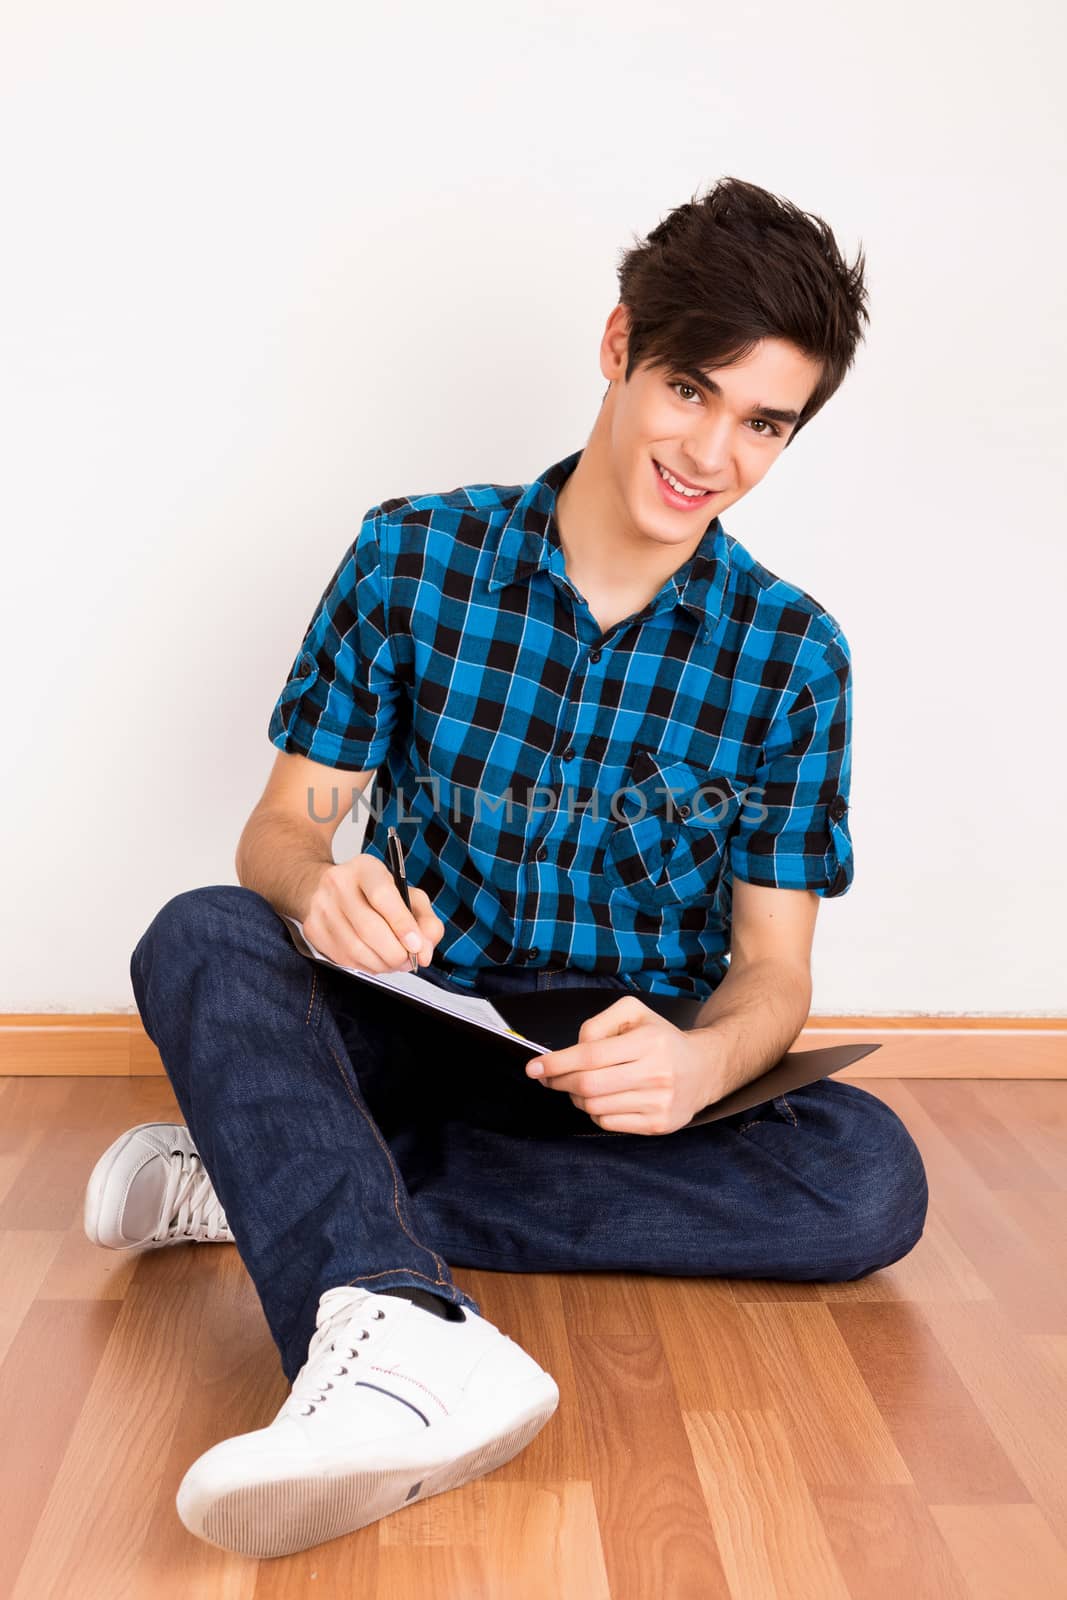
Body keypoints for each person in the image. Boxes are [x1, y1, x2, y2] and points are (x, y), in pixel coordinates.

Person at [84, 175, 929, 1560]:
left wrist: (703, 1067)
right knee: (201, 932)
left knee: (871, 1180)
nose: (712, 452)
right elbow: (280, 831)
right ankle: (397, 1327)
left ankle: (280, 1177)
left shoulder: (795, 659)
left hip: (620, 1082)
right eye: (690, 391)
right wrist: (315, 886)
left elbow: (776, 976)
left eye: (764, 423)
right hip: (422, 1019)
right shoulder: (412, 559)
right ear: (618, 350)